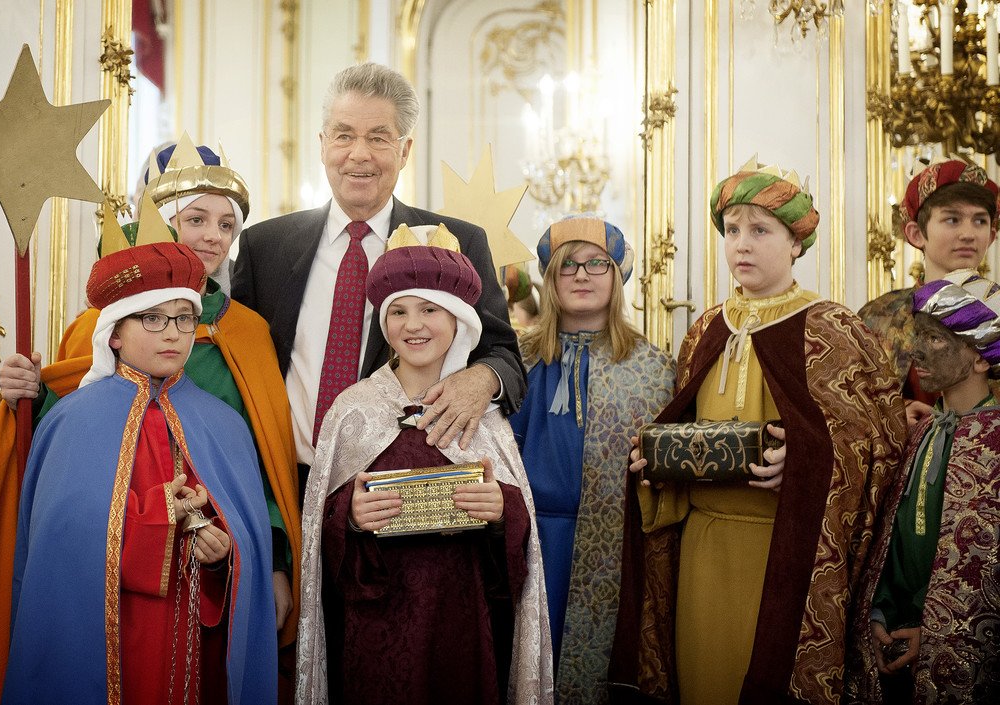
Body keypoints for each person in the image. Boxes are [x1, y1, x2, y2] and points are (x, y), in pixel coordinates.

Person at [0, 142, 300, 705]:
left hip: (196, 612)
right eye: (195, 219)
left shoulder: (246, 339)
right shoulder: (88, 363)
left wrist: (246, 555)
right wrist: (30, 395)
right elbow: (65, 501)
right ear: (116, 334)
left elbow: (255, 476)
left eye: (227, 224)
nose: (212, 236)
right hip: (112, 612)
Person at [609, 158, 908, 705]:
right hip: (703, 546)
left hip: (784, 551)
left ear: (796, 242)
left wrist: (808, 463)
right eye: (731, 231)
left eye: (760, 230)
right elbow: (684, 427)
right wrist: (657, 463)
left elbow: (880, 445)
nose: (741, 244)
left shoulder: (833, 329)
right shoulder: (706, 328)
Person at [231, 62, 524, 484]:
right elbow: (239, 362)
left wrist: (482, 379)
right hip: (281, 481)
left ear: (404, 151)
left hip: (399, 487)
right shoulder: (265, 247)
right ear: (322, 145)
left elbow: (506, 357)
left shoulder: (453, 242)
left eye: (378, 138)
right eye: (344, 135)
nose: (359, 154)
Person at [295, 224, 551, 704]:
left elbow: (520, 547)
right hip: (375, 623)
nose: (413, 325)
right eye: (398, 311)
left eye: (429, 309)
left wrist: (502, 510)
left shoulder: (484, 417)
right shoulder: (352, 410)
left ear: (459, 319)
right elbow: (319, 539)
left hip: (464, 618)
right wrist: (349, 517)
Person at [507, 216, 675, 702]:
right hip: (531, 539)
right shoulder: (515, 360)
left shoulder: (653, 367)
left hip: (617, 546)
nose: (582, 275)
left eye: (597, 264)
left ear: (617, 275)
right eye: (568, 265)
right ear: (550, 278)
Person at [846, 270, 1000, 704]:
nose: (916, 350)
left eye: (934, 338)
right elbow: (890, 540)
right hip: (891, 632)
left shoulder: (994, 444)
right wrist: (880, 610)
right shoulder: (919, 433)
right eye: (918, 336)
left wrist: (929, 628)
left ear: (981, 358)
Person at [859, 157, 999, 424]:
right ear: (916, 234)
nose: (968, 234)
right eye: (952, 219)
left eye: (980, 221)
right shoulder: (878, 317)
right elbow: (852, 405)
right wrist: (895, 416)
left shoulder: (997, 313)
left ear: (991, 236)